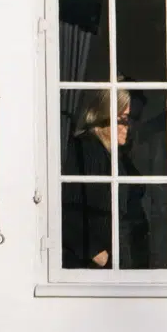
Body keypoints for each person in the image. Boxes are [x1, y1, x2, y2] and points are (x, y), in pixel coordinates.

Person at [61, 88, 151, 270]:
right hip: (93, 269)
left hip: (123, 261)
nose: (130, 126)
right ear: (103, 113)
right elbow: (64, 208)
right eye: (125, 119)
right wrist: (95, 252)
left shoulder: (118, 156)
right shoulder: (84, 149)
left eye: (135, 119)